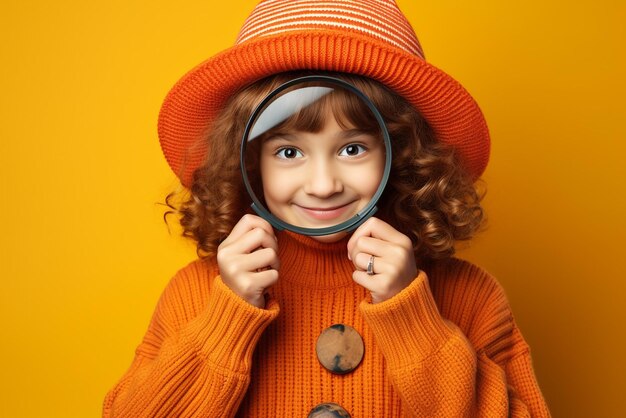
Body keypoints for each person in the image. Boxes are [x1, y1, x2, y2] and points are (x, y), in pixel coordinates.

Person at [103, 1, 551, 416]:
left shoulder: (468, 296)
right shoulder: (198, 295)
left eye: (353, 148)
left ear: (402, 152)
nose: (322, 185)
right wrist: (228, 316)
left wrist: (410, 314)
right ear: (249, 161)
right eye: (289, 152)